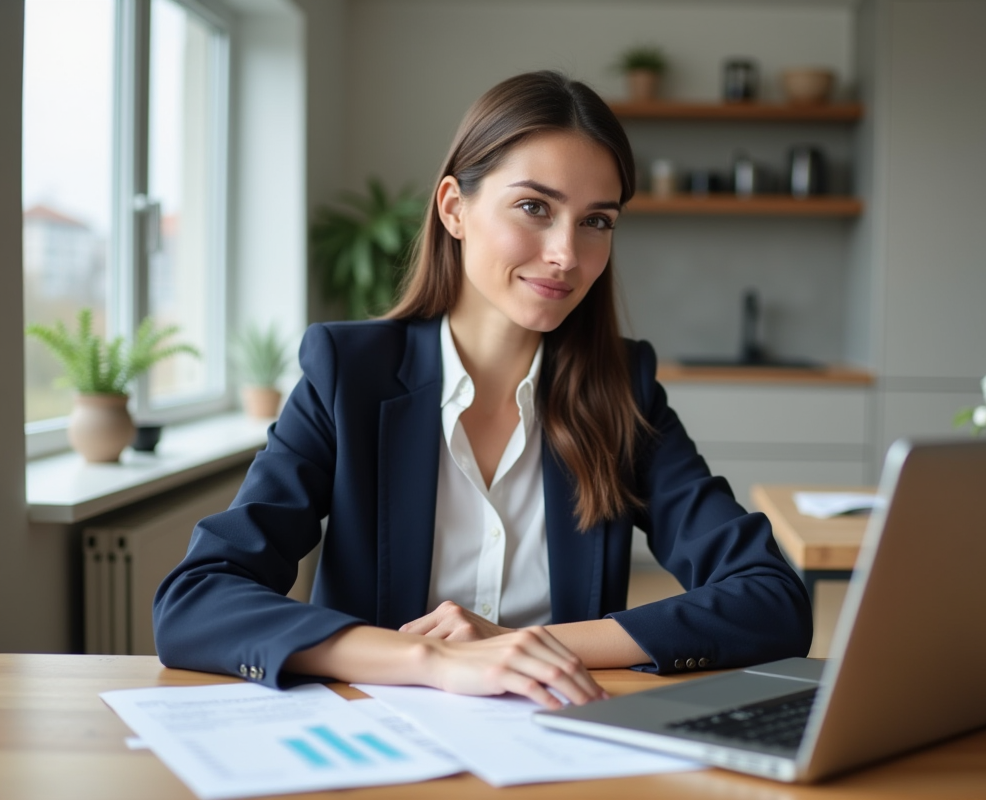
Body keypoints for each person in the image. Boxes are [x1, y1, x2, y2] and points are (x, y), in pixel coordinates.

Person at [153, 71, 812, 709]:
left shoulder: (622, 388)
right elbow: (197, 601)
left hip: (556, 742)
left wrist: (527, 646)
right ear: (454, 209)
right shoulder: (348, 373)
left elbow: (771, 598)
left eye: (597, 221)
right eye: (534, 207)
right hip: (375, 742)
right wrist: (432, 661)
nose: (566, 254)